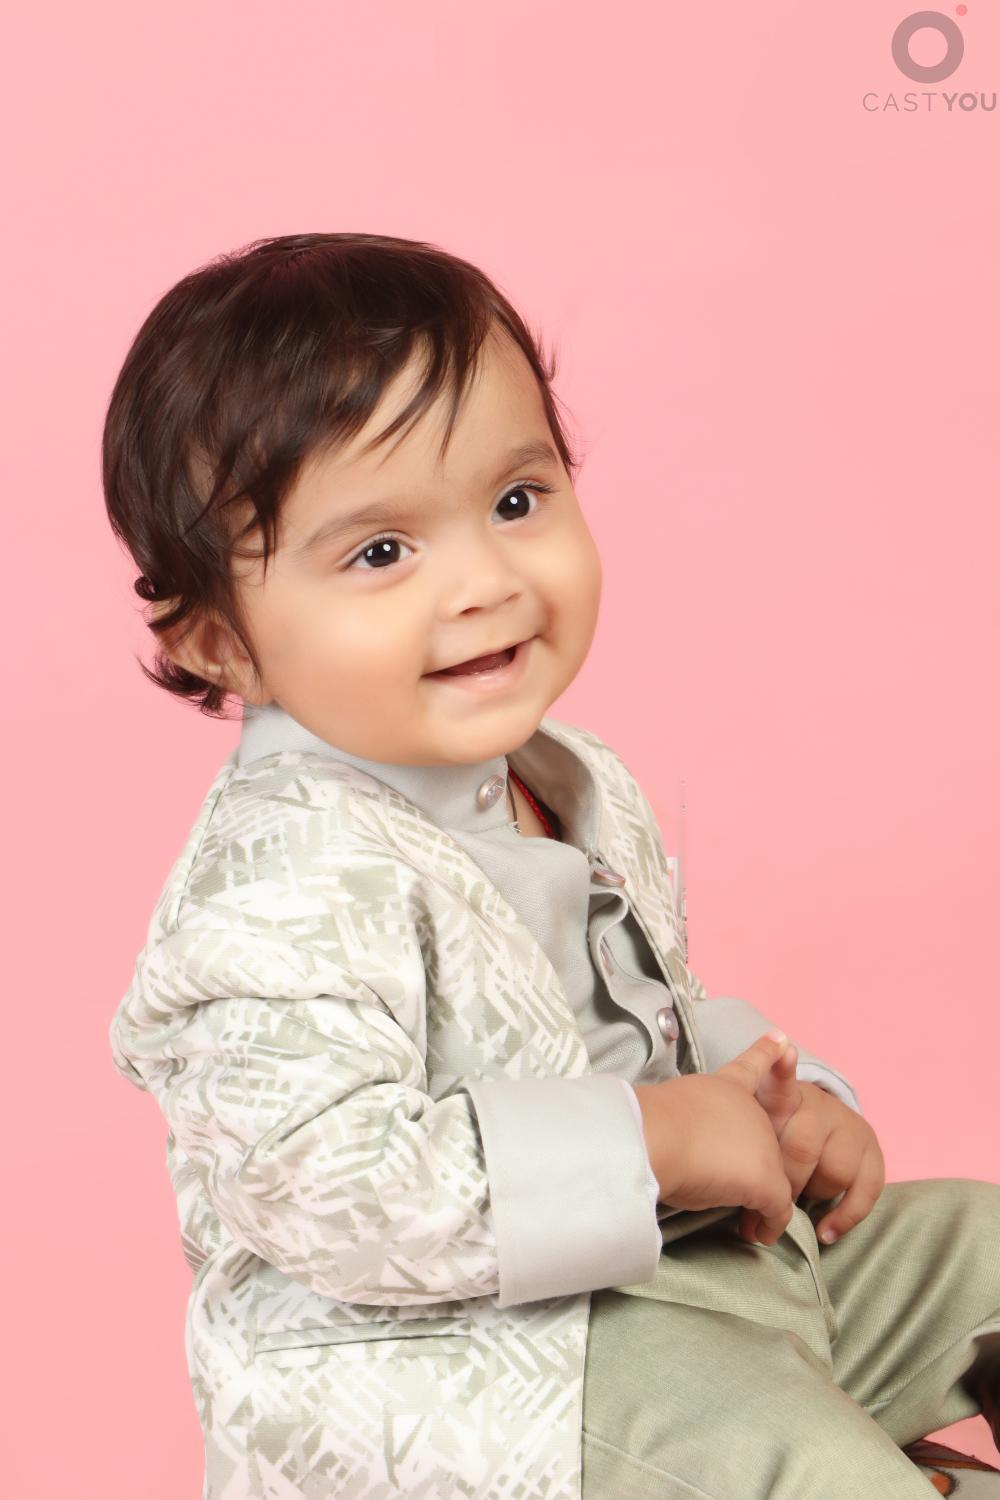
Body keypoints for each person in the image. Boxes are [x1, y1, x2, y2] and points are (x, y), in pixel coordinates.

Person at [104, 232, 1000, 1498]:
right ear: (218, 642)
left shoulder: (572, 776)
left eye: (516, 501)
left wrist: (768, 1103)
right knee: (801, 1464)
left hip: (677, 1276)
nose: (484, 580)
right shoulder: (280, 882)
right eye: (380, 552)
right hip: (481, 1380)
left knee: (986, 1255)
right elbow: (324, 1191)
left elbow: (630, 1016)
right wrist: (653, 1141)